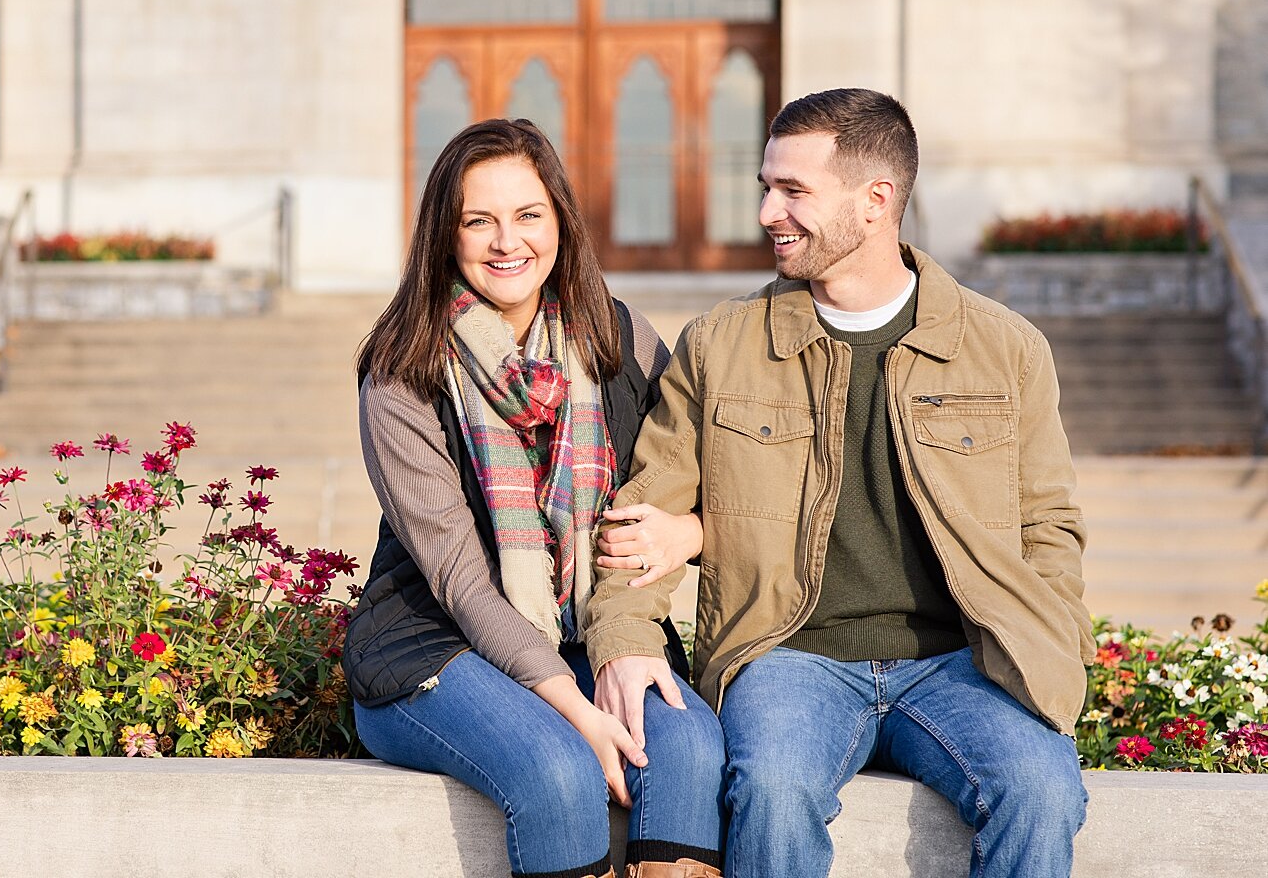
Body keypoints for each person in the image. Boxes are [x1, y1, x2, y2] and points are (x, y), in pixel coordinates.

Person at [586, 89, 1092, 878]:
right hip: (789, 656)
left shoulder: (1005, 349)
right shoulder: (721, 346)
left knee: (1042, 789)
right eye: (765, 187)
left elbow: (1049, 525)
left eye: (793, 191)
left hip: (963, 662)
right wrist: (623, 641)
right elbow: (641, 517)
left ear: (874, 202)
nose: (766, 212)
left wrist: (1053, 643)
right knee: (773, 789)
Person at [344, 118, 726, 878]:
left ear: (560, 222)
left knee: (689, 748)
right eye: (476, 220)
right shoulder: (402, 373)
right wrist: (581, 713)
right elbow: (458, 581)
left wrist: (687, 533)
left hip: (587, 631)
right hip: (433, 644)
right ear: (444, 238)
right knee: (556, 769)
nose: (505, 241)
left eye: (527, 215)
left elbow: (719, 482)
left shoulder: (620, 340)